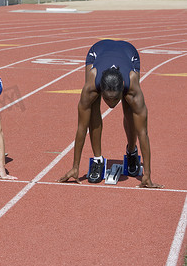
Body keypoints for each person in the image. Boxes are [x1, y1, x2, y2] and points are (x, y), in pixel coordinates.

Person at [57, 39, 162, 188]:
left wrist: (147, 175)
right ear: (101, 89)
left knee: (130, 111)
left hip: (129, 53)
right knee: (92, 108)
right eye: (106, 98)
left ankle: (131, 151)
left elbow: (143, 132)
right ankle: (98, 160)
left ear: (122, 91)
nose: (111, 104)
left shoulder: (132, 86)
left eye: (115, 99)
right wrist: (75, 166)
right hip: (97, 51)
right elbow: (81, 127)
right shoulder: (91, 86)